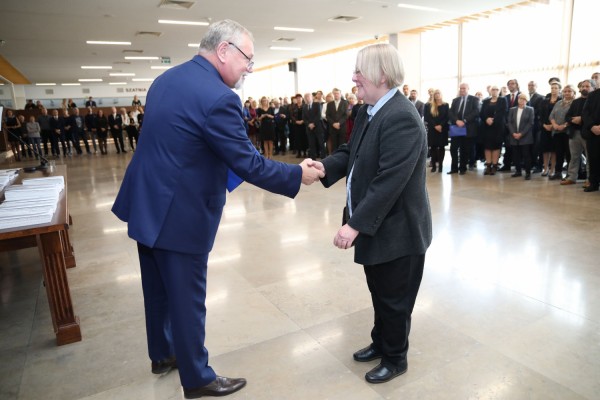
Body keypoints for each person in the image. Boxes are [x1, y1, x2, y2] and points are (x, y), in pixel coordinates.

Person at [111, 19, 323, 399]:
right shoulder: (220, 97)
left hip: (147, 201)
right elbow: (248, 163)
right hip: (179, 213)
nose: (249, 68)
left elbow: (182, 144)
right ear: (223, 50)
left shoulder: (166, 80)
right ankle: (197, 379)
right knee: (188, 299)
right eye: (248, 59)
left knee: (158, 290)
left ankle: (164, 353)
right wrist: (296, 174)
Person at [311, 43, 432, 385]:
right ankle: (381, 343)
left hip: (399, 231)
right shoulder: (368, 110)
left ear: (381, 74)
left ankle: (395, 358)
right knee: (379, 292)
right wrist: (324, 167)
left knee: (395, 300)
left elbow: (389, 181)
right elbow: (353, 151)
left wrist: (354, 225)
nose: (353, 78)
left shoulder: (402, 117)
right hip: (378, 227)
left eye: (359, 71)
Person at [448, 83, 480, 175]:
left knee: (464, 149)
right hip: (456, 127)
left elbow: (476, 112)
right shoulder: (455, 100)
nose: (462, 90)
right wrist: (457, 120)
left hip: (468, 128)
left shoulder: (474, 99)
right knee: (453, 149)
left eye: (464, 88)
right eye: (460, 88)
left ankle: (462, 168)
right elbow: (451, 112)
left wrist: (464, 121)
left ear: (468, 89)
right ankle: (454, 168)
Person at [479, 86, 508, 175]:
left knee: (496, 146)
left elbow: (503, 112)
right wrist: (486, 119)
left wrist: (493, 120)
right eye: (493, 89)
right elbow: (482, 113)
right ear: (490, 91)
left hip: (498, 127)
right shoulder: (485, 101)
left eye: (496, 89)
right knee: (487, 146)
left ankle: (494, 165)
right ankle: (488, 165)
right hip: (487, 127)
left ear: (499, 91)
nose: (494, 91)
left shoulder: (503, 100)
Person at [507, 93, 535, 179]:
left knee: (526, 155)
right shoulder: (512, 109)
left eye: (524, 99)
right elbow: (509, 122)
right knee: (516, 155)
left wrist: (521, 134)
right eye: (520, 99)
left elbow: (530, 123)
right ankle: (518, 171)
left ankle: (527, 173)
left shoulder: (530, 110)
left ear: (526, 101)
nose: (521, 101)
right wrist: (513, 133)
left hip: (525, 136)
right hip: (514, 136)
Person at [582, 72, 600, 192]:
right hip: (592, 133)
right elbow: (585, 113)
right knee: (593, 159)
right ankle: (593, 183)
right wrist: (592, 126)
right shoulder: (592, 95)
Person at [424, 89, 449, 173]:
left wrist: (441, 125)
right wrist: (435, 126)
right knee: (433, 147)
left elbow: (446, 117)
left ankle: (441, 165)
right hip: (432, 129)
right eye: (436, 93)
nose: (437, 95)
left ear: (441, 94)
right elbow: (427, 117)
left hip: (442, 129)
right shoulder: (428, 105)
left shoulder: (446, 105)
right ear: (433, 95)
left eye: (439, 93)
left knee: (441, 147)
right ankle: (434, 165)